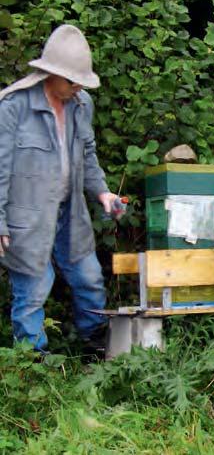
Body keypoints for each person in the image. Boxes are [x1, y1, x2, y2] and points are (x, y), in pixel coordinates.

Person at [0, 24, 120, 354]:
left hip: (69, 212)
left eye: (80, 80)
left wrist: (103, 193)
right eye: (71, 80)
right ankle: (32, 365)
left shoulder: (82, 105)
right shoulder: (13, 107)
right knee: (34, 289)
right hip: (27, 216)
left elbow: (88, 153)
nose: (77, 86)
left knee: (90, 277)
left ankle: (96, 347)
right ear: (50, 74)